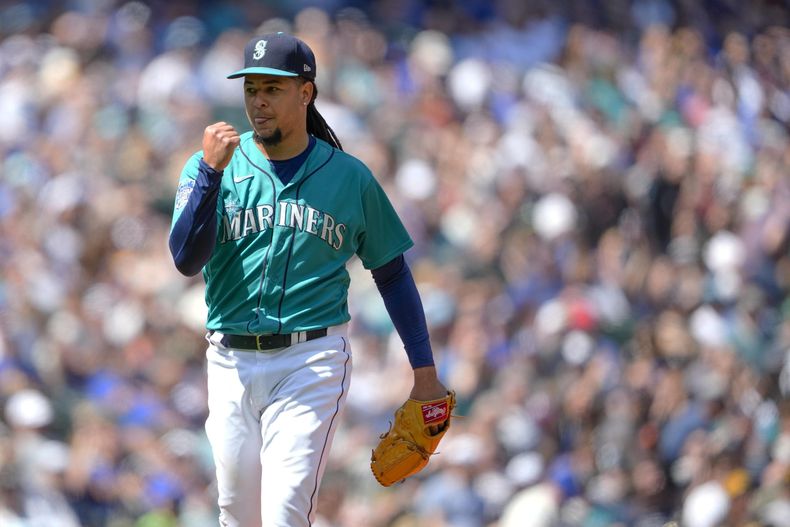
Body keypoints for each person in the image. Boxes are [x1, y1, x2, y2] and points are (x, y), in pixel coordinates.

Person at [168, 32, 450, 527]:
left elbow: (392, 274)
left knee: (285, 513)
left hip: (310, 360)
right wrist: (210, 176)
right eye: (251, 88)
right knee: (237, 515)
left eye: (273, 88)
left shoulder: (349, 177)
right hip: (229, 359)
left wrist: (424, 373)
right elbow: (186, 260)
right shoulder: (210, 166)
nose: (258, 101)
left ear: (306, 92)